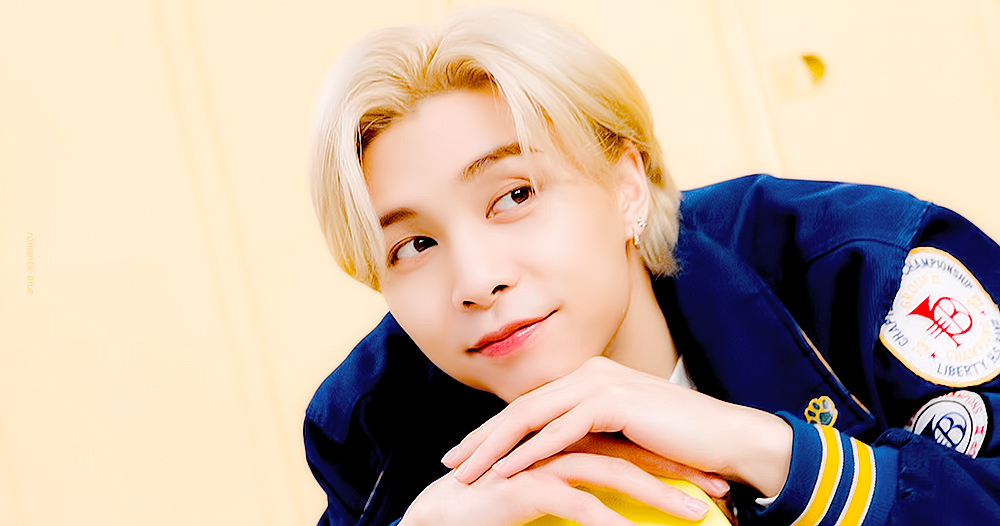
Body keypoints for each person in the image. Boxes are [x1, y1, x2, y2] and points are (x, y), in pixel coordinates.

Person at [304, 7, 1000, 526]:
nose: (477, 281)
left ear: (626, 186)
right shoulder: (372, 429)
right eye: (413, 246)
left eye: (514, 196)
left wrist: (776, 454)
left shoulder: (862, 269)